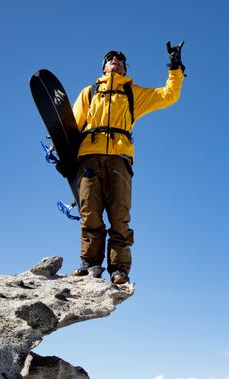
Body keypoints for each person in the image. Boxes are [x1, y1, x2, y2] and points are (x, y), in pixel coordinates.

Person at [69, 42, 185, 285]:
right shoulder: (88, 93)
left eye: (120, 59)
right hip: (89, 157)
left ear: (124, 68)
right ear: (103, 68)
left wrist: (175, 67)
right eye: (110, 58)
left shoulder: (133, 93)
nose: (116, 60)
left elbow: (169, 95)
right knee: (89, 214)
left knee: (120, 217)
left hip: (120, 161)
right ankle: (90, 264)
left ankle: (119, 270)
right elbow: (72, 126)